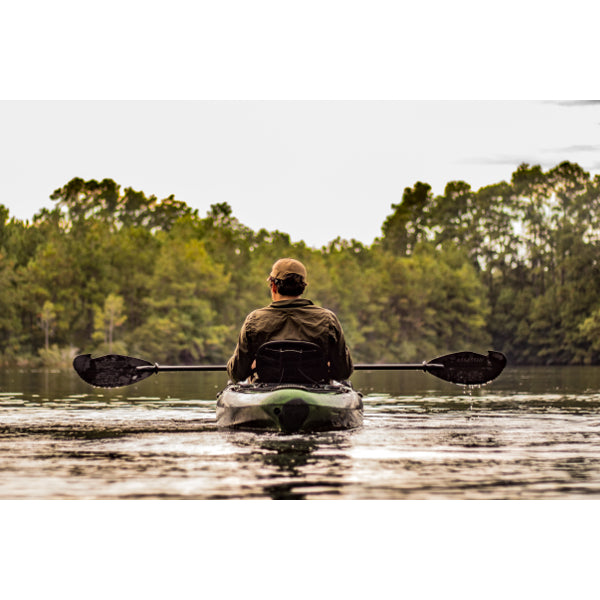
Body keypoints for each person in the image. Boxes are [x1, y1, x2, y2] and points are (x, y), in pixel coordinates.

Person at [227, 258, 353, 383]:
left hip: (265, 395)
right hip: (317, 392)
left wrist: (254, 365)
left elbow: (237, 373)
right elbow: (343, 372)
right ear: (302, 288)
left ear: (273, 286)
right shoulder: (328, 319)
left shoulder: (254, 320)